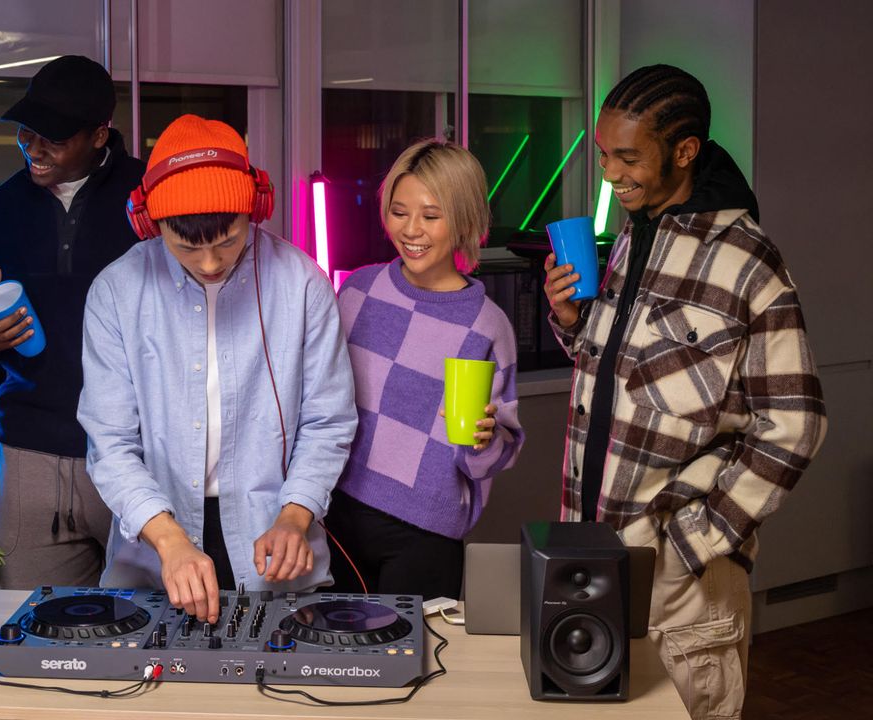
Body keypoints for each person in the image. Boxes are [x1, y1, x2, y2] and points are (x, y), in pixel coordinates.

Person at [543, 64, 827, 719]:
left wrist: (694, 541)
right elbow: (629, 375)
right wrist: (573, 323)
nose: (610, 173)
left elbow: (797, 423)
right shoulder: (631, 242)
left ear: (685, 151)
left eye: (627, 157)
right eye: (603, 154)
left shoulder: (747, 261)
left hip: (681, 581)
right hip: (596, 551)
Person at [77, 114, 358, 623]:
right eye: (187, 246)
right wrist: (169, 540)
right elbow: (110, 442)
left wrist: (296, 518)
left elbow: (328, 422)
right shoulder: (116, 292)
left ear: (256, 210)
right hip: (156, 541)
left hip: (276, 539)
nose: (209, 263)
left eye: (227, 240)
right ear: (150, 223)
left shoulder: (302, 284)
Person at [0, 56, 145, 590]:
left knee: (149, 628)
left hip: (136, 450)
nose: (34, 150)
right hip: (30, 450)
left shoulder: (149, 198)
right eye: (26, 134)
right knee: (30, 628)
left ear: (100, 133)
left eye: (52, 139)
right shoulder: (1, 209)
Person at [325, 140, 524, 600]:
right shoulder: (358, 290)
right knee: (333, 664)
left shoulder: (487, 325)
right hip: (336, 514)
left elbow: (498, 456)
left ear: (466, 220)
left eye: (431, 216)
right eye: (399, 211)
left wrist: (484, 438)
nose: (412, 230)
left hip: (426, 531)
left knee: (414, 668)